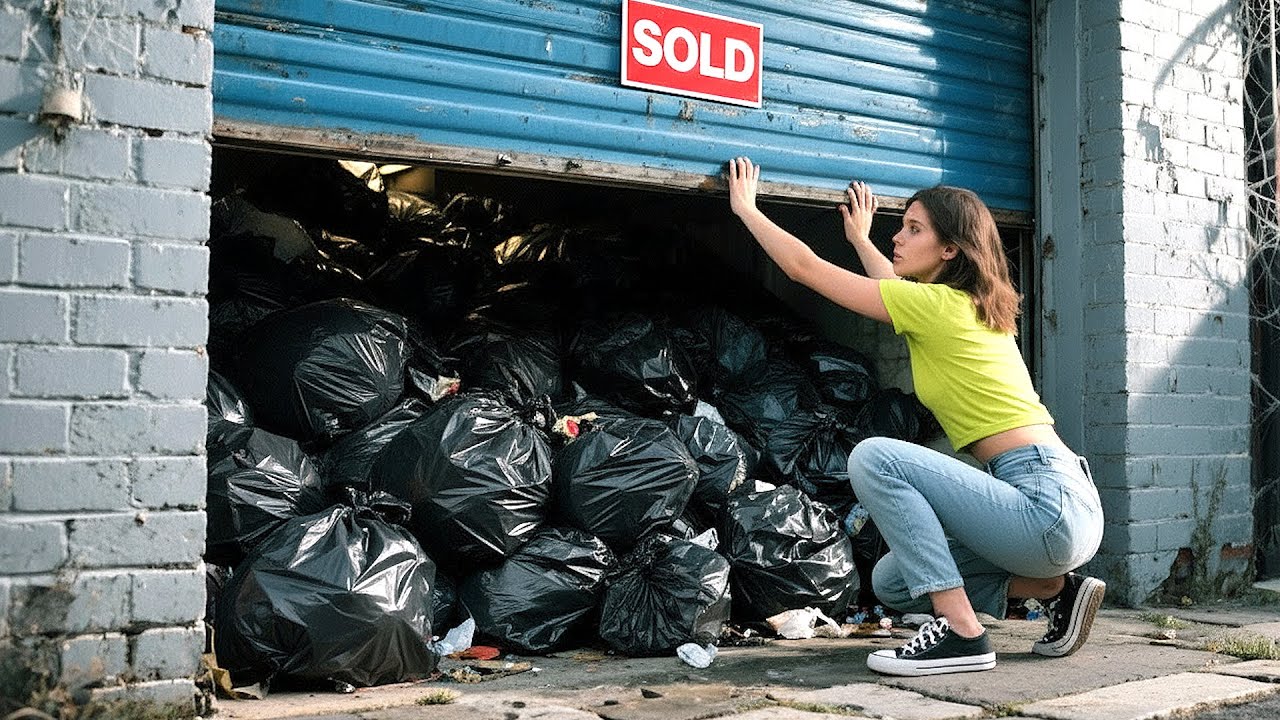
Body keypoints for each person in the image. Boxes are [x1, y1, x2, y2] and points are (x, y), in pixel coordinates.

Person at [725, 156, 1105, 677]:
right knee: (894, 581)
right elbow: (894, 290)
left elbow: (804, 269)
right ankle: (1058, 590)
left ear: (950, 249)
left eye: (913, 229)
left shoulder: (939, 306)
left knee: (874, 458)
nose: (897, 238)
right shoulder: (964, 306)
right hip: (1066, 506)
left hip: (1041, 504)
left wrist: (747, 209)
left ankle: (962, 634)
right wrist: (862, 241)